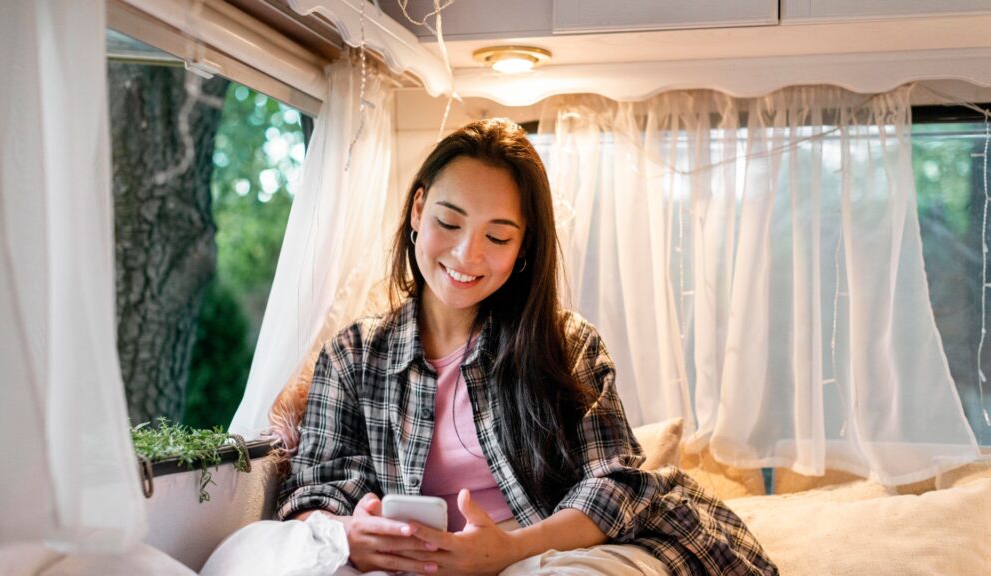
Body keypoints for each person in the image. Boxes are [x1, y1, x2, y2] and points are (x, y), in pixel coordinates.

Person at [275, 119, 777, 576]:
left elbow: (612, 484)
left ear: (523, 248)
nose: (466, 255)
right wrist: (347, 531)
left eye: (497, 236)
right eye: (449, 223)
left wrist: (505, 551)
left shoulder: (567, 343)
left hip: (551, 550)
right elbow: (316, 486)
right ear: (418, 208)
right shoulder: (353, 356)